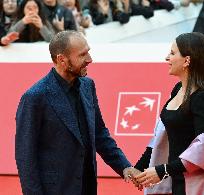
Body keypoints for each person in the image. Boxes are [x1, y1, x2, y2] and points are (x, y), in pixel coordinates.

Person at [15, 30, 134, 195]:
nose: (90, 60)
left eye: (88, 52)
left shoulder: (88, 86)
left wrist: (125, 166)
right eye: (82, 55)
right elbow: (25, 156)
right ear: (61, 59)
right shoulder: (35, 97)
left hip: (87, 187)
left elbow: (99, 134)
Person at [131, 32, 204, 194]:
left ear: (187, 60)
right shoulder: (177, 89)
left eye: (172, 53)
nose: (166, 58)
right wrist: (139, 167)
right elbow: (161, 136)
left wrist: (163, 170)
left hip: (197, 185)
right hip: (174, 180)